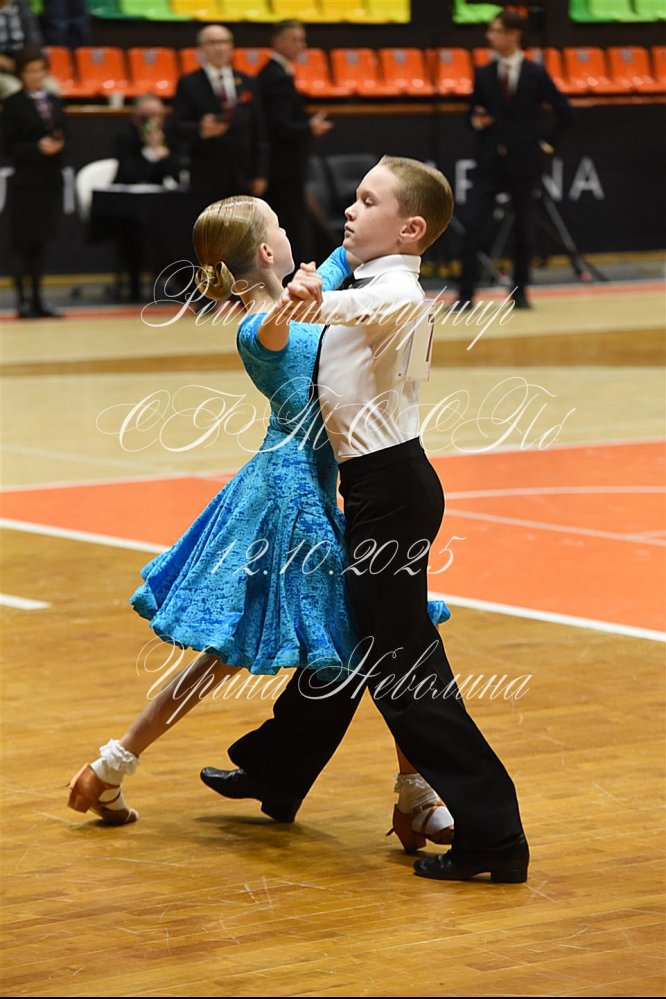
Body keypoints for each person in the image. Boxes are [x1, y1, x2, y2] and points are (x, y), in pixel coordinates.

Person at [67, 194, 455, 853]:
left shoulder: (303, 292)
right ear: (268, 252)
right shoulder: (258, 325)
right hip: (285, 498)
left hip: (311, 487)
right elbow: (278, 325)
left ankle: (109, 767)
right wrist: (301, 295)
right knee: (369, 635)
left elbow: (350, 259)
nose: (290, 230)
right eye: (278, 224)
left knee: (333, 641)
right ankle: (415, 795)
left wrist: (396, 221)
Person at [202, 156, 530, 884]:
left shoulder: (397, 291)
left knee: (404, 671)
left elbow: (352, 308)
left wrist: (311, 296)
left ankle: (494, 836)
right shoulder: (366, 276)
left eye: (368, 201)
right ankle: (278, 767)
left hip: (392, 492)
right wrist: (319, 282)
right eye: (353, 197)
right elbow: (336, 286)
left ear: (410, 229)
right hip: (382, 489)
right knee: (357, 646)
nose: (350, 210)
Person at [457, 10, 574, 310]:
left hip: (524, 162)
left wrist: (545, 145)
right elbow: (471, 114)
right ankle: (465, 293)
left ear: (514, 34)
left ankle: (520, 291)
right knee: (473, 223)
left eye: (496, 31)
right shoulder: (484, 73)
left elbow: (565, 112)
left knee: (523, 227)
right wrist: (476, 121)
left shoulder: (535, 73)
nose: (490, 36)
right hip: (490, 161)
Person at [257, 19, 332, 270]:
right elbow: (278, 124)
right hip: (282, 166)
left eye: (303, 39)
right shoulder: (275, 76)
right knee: (289, 222)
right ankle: (294, 274)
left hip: (286, 164)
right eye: (295, 39)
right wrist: (309, 128)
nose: (302, 45)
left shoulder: (280, 73)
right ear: (278, 42)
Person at [171, 24, 268, 210]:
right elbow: (177, 127)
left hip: (242, 172)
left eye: (224, 42)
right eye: (213, 43)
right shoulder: (189, 83)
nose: (220, 48)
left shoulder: (247, 81)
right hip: (206, 172)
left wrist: (260, 173)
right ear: (201, 49)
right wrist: (201, 129)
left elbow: (259, 130)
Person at [2, 46, 65, 319]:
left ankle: (39, 298)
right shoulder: (13, 104)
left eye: (40, 70)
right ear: (21, 74)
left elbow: (65, 133)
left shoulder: (55, 101)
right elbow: (7, 146)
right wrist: (36, 148)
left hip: (49, 179)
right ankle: (22, 300)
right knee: (22, 242)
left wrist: (58, 145)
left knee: (41, 241)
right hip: (26, 180)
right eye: (30, 71)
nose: (36, 75)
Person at [112, 93, 179, 301]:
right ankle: (134, 285)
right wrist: (149, 153)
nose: (153, 121)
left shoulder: (170, 136)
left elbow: (174, 174)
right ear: (136, 118)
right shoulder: (125, 138)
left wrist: (162, 153)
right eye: (147, 116)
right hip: (130, 206)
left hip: (163, 204)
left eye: (158, 115)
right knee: (134, 230)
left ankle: (181, 281)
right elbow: (128, 173)